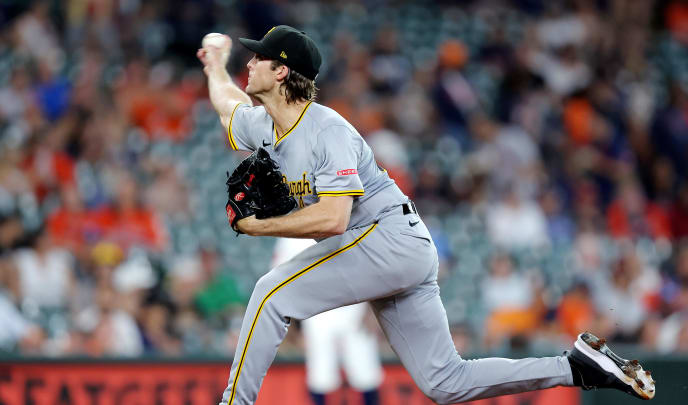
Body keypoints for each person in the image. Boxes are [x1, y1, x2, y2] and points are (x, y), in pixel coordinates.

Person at [196, 25, 655, 405]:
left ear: (281, 71)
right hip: (391, 247)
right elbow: (227, 105)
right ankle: (576, 367)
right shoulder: (266, 125)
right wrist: (215, 63)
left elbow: (334, 218)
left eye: (257, 58)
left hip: (384, 236)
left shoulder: (327, 129)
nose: (248, 64)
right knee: (444, 382)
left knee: (270, 291)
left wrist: (259, 227)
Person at [271, 237, 383, 405]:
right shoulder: (293, 232)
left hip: (355, 308)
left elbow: (374, 268)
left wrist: (372, 310)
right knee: (320, 375)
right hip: (316, 312)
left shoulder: (353, 218)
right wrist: (291, 327)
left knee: (366, 373)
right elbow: (279, 278)